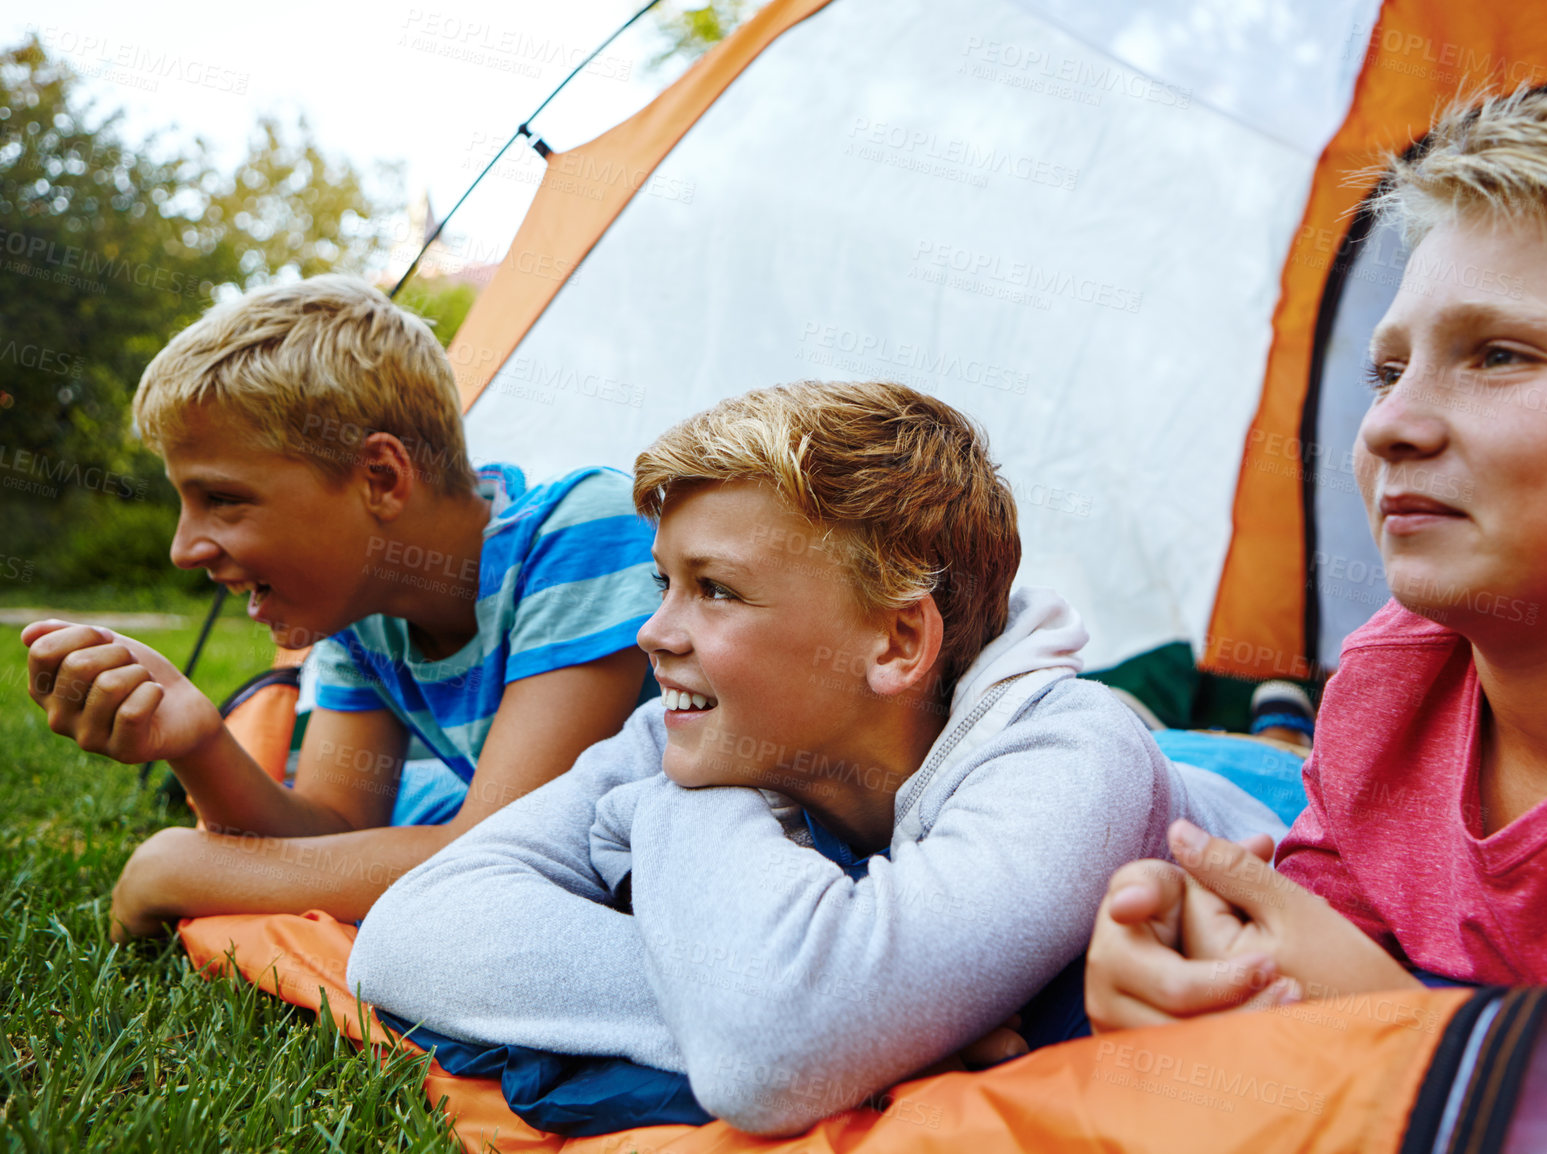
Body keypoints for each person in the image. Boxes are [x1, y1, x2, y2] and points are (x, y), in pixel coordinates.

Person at [346, 381, 1283, 1135]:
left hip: (1218, 787)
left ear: (894, 644)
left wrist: (680, 821)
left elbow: (770, 1049)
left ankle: (1280, 713)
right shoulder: (693, 737)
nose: (653, 631)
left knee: (1259, 749)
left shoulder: (1071, 755)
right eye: (662, 581)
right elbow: (407, 932)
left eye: (715, 590)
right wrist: (861, 1022)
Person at [1086, 73, 1547, 1029]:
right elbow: (1316, 918)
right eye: (1387, 371)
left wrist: (1394, 1030)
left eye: (1500, 355)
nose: (1392, 425)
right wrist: (1203, 964)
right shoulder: (1397, 677)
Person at [20, 276, 658, 941]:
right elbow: (337, 831)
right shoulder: (367, 613)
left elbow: (505, 855)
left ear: (379, 478)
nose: (184, 548)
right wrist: (199, 741)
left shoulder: (584, 531)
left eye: (222, 499)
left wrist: (186, 869)